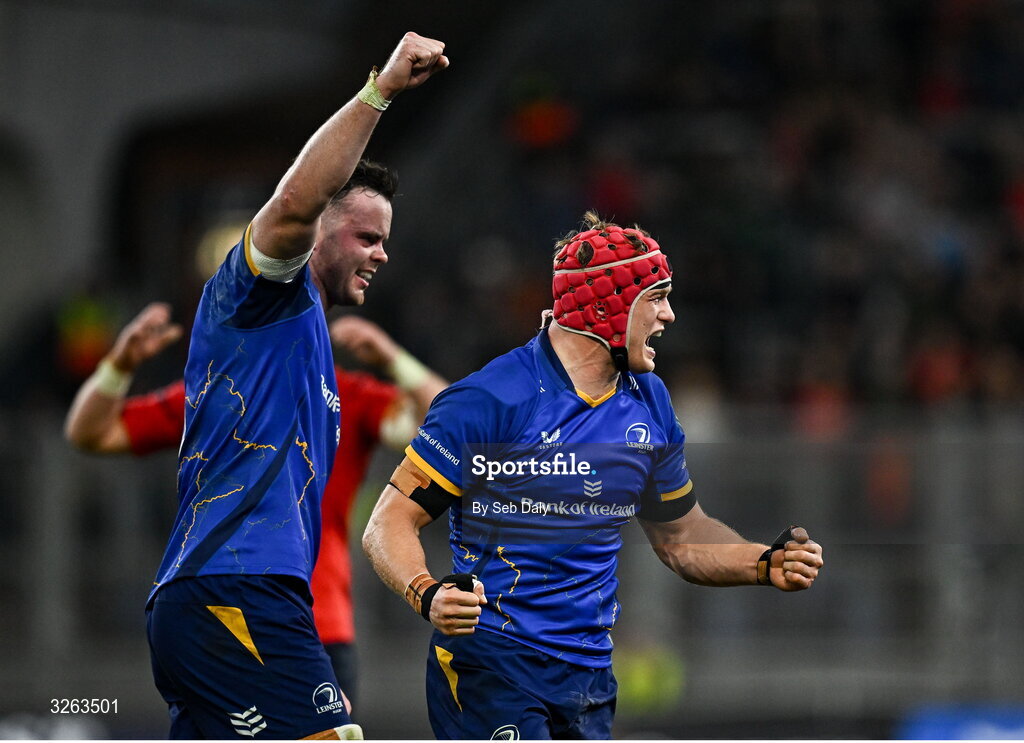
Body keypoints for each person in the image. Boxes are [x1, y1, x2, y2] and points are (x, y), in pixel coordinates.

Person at [362, 212, 824, 740]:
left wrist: (763, 563)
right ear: (607, 306)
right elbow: (389, 520)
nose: (669, 315)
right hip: (493, 663)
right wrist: (426, 592)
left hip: (589, 678)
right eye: (656, 297)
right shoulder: (489, 400)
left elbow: (683, 538)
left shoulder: (649, 403)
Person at [137, 32, 447, 740]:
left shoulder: (315, 356)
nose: (381, 253)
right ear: (318, 231)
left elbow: (447, 418)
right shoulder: (261, 292)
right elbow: (293, 203)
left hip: (215, 596)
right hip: (237, 588)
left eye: (385, 239)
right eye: (365, 236)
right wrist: (382, 91)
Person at [63, 303, 447, 708]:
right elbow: (90, 432)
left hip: (315, 621)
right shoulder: (214, 391)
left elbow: (448, 423)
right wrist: (119, 365)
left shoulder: (348, 395)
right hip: (221, 615)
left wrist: (391, 356)